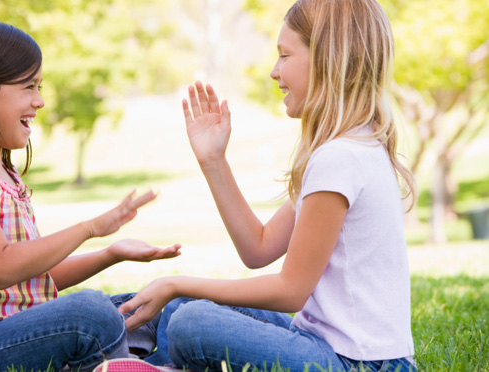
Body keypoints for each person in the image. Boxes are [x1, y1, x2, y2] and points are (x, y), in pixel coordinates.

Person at [102, 0, 419, 371]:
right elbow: (259, 248)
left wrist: (178, 282)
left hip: (357, 364)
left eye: (285, 55)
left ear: (328, 59)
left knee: (192, 320)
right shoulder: (353, 146)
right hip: (332, 348)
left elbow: (291, 290)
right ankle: (156, 365)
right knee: (182, 309)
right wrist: (213, 160)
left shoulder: (340, 158)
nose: (274, 71)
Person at [0, 18, 181, 372]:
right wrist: (90, 227)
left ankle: (147, 364)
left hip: (8, 333)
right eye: (28, 87)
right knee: (90, 313)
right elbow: (2, 267)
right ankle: (133, 364)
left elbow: (33, 277)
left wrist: (111, 253)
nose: (40, 101)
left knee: (154, 305)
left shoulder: (3, 171)